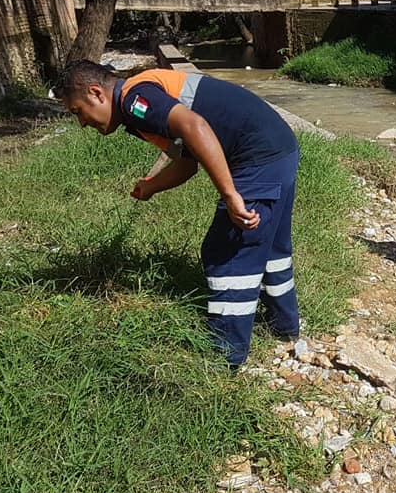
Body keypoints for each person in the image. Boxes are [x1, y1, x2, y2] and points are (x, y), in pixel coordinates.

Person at [52, 60, 300, 368]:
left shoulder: (134, 100)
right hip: (278, 148)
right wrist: (151, 187)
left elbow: (195, 127)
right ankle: (284, 327)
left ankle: (224, 358)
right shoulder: (141, 105)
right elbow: (187, 162)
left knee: (229, 251)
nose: (82, 123)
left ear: (95, 93)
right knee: (270, 247)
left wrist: (231, 195)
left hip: (258, 156)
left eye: (78, 111)